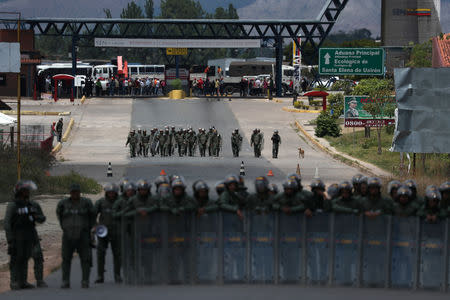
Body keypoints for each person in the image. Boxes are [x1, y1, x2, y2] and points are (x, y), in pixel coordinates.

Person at [4, 180, 46, 290]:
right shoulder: (13, 206)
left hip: (31, 234)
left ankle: (36, 281)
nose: (27, 192)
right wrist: (10, 239)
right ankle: (15, 282)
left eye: (28, 190)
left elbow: (42, 218)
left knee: (37, 256)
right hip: (18, 236)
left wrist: (36, 216)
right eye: (25, 190)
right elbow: (7, 223)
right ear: (19, 192)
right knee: (17, 258)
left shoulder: (33, 204)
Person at [56, 184, 95, 289]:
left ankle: (85, 281)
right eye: (73, 192)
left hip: (83, 235)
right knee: (66, 259)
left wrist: (90, 230)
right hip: (68, 235)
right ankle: (65, 281)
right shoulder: (63, 203)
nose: (75, 194)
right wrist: (64, 227)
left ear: (79, 192)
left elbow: (93, 216)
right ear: (70, 192)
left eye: (77, 192)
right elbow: (59, 215)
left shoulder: (86, 203)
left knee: (86, 259)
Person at [94, 183, 122, 284]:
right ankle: (100, 275)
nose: (111, 194)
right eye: (109, 192)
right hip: (103, 231)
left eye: (113, 192)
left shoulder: (121, 202)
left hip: (117, 231)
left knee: (118, 254)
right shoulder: (101, 202)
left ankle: (117, 275)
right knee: (100, 254)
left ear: (116, 193)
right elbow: (93, 214)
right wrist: (95, 225)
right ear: (106, 192)